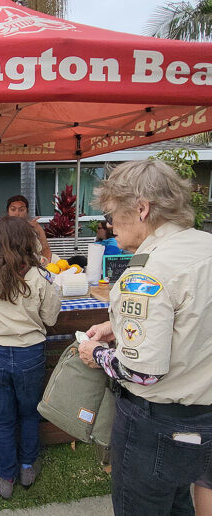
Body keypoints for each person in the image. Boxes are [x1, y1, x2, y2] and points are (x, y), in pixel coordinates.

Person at [77, 160, 212, 516]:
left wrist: (97, 353)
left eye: (109, 215)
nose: (107, 225)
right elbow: (193, 323)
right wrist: (115, 326)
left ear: (141, 208)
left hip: (156, 425)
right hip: (203, 418)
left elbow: (142, 372)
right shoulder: (205, 245)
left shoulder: (148, 272)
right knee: (179, 504)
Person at [0, 216, 60, 499]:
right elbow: (51, 318)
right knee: (30, 413)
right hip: (30, 353)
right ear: (26, 242)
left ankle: (6, 475)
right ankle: (28, 467)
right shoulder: (40, 276)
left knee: (4, 417)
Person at [6, 195, 52, 263]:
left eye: (21, 210)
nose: (17, 213)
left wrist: (46, 267)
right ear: (8, 212)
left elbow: (46, 249)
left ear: (27, 212)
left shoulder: (34, 226)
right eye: (13, 209)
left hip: (34, 265)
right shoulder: (1, 228)